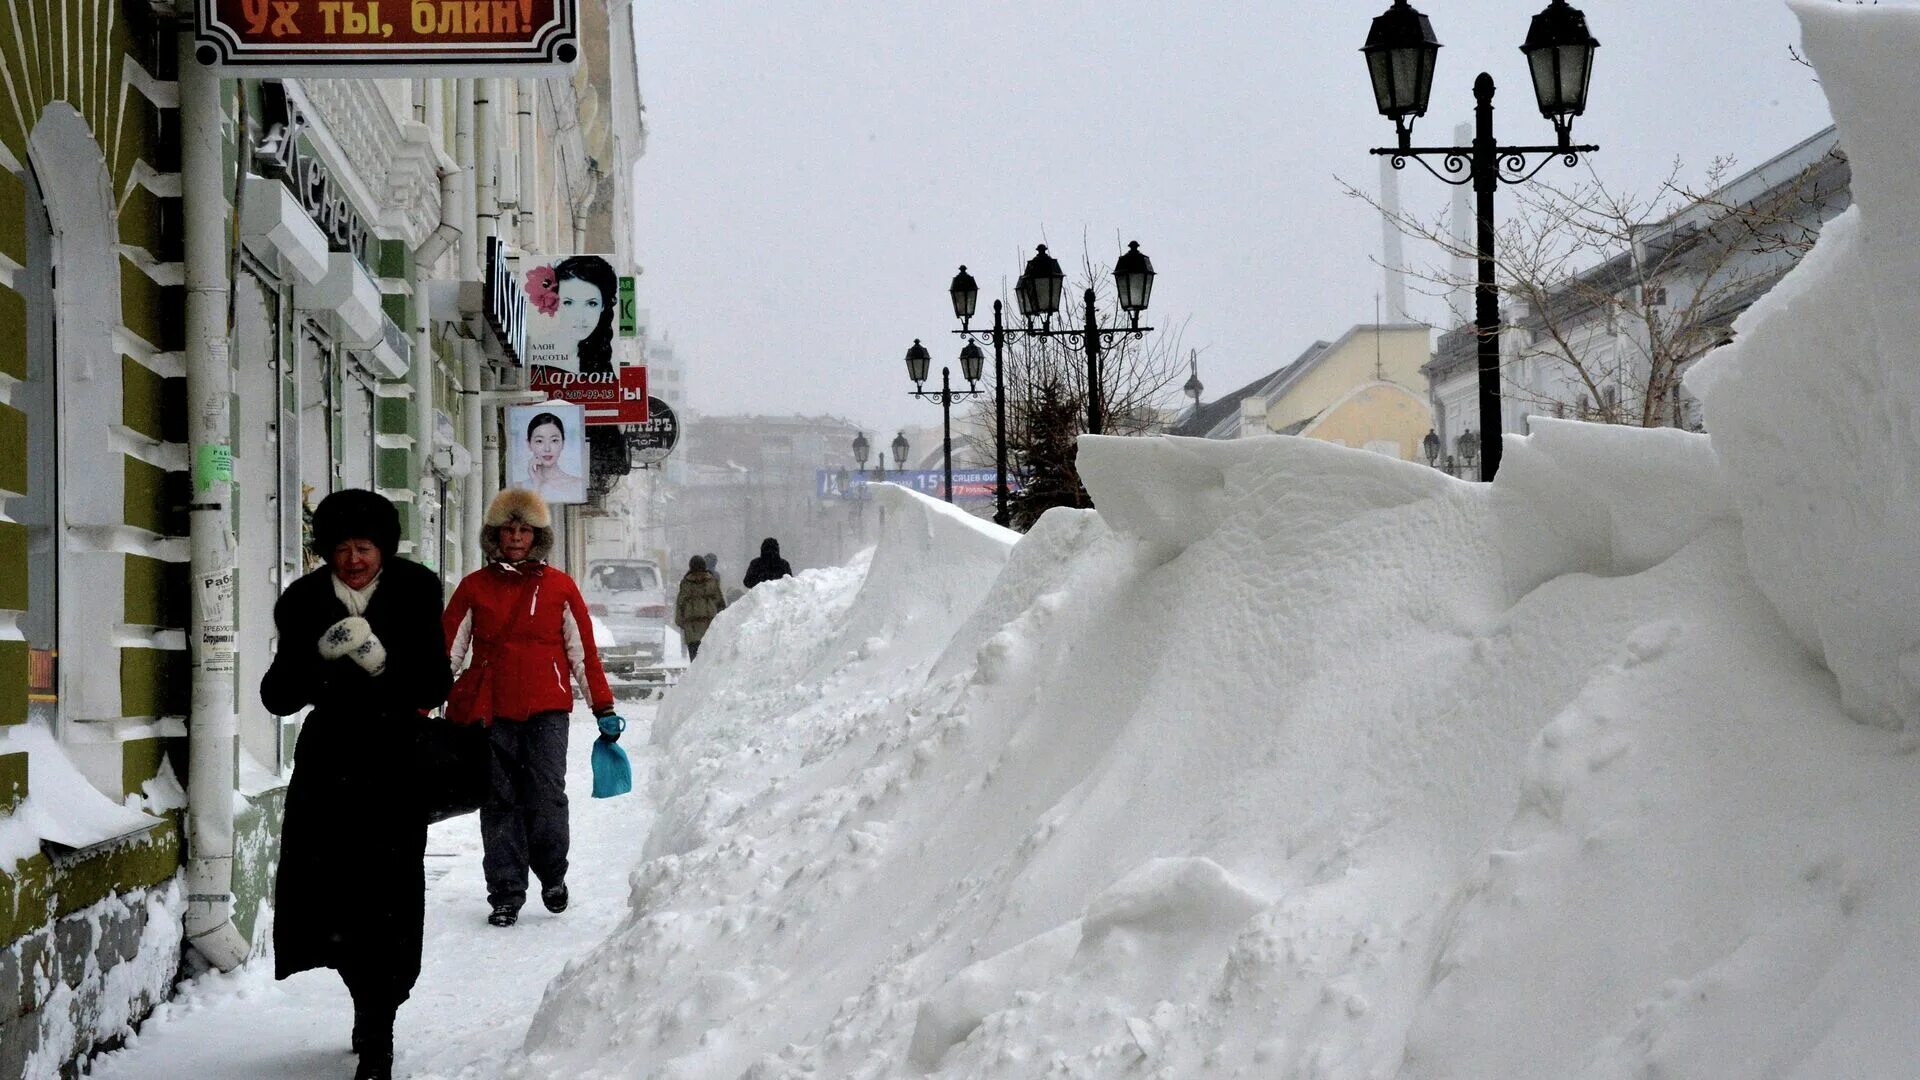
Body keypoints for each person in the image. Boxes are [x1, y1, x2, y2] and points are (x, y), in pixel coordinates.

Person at [260, 489, 452, 1080]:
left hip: (395, 767)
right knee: (334, 899)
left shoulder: (416, 590)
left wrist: (380, 662)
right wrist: (320, 659)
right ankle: (364, 999)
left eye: (364, 547)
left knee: (390, 899)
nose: (353, 558)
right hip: (329, 773)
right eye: (340, 547)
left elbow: (433, 686)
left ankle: (379, 1024)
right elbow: (276, 696)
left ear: (383, 549)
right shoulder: (303, 602)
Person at [443, 488, 621, 928]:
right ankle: (505, 892)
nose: (516, 538)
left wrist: (603, 706)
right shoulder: (474, 588)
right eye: (509, 529)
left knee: (546, 796)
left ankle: (553, 876)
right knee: (499, 801)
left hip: (546, 709)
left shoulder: (560, 587)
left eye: (524, 530)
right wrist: (421, 708)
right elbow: (446, 654)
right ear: (495, 535)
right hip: (491, 710)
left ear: (537, 536)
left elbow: (583, 654)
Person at [552, 255, 619, 375]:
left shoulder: (604, 359)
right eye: (568, 303)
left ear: (603, 305)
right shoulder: (536, 351)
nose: (579, 316)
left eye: (591, 303)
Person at [521, 410, 585, 504]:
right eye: (539, 441)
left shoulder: (578, 485)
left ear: (562, 443)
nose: (547, 449)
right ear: (529, 444)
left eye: (554, 440)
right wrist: (536, 485)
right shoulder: (519, 487)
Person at [674, 556, 727, 660]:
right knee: (708, 660)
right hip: (709, 627)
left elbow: (680, 605)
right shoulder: (712, 581)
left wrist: (682, 622)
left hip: (692, 630)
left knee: (695, 661)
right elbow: (720, 604)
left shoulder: (686, 584)